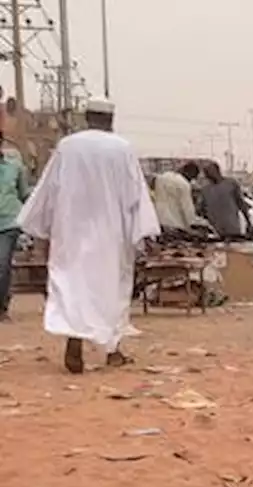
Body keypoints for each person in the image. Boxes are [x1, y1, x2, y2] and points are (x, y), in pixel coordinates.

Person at [17, 98, 160, 373]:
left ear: (87, 118)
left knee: (72, 285)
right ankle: (113, 350)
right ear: (110, 120)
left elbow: (49, 189)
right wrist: (141, 232)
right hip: (112, 232)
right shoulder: (122, 148)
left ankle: (74, 337)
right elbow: (135, 195)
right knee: (112, 289)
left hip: (71, 230)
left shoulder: (68, 146)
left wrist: (43, 231)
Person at [0, 143, 30, 322]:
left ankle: (1, 307)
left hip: (8, 222)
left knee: (2, 265)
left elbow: (24, 193)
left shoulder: (14, 167)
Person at [199, 161, 252, 238]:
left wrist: (248, 222)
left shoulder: (231, 184)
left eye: (208, 171)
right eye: (205, 172)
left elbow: (241, 203)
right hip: (215, 231)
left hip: (232, 228)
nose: (207, 174)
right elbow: (201, 210)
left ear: (217, 171)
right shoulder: (205, 189)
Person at [153, 162, 200, 231]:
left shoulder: (161, 177)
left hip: (159, 223)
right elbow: (187, 209)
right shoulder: (184, 184)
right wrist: (196, 223)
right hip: (176, 226)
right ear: (190, 174)